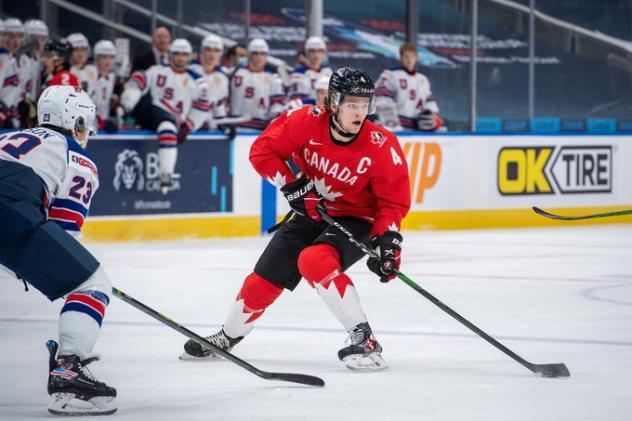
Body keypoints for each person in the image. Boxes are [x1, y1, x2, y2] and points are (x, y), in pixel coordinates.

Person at [181, 67, 411, 372]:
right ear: (334, 102)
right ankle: (227, 336)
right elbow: (262, 151)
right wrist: (291, 186)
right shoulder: (305, 121)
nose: (360, 112)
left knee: (315, 260)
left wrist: (388, 242)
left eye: (364, 104)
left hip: (357, 220)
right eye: (352, 104)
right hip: (311, 210)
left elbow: (392, 202)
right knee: (264, 276)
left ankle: (365, 340)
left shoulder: (381, 145)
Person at [0, 85, 116, 416]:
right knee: (91, 283)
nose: (86, 132)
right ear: (75, 120)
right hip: (7, 206)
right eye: (85, 124)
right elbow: (65, 234)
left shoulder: (10, 137)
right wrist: (78, 276)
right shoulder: (75, 156)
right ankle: (68, 372)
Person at [120, 38, 209, 193]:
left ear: (189, 56)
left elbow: (204, 105)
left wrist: (188, 126)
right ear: (170, 54)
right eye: (177, 54)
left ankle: (166, 174)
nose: (180, 57)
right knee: (165, 122)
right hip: (152, 112)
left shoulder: (198, 80)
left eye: (184, 54)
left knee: (168, 127)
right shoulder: (158, 70)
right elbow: (140, 77)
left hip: (173, 121)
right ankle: (125, 109)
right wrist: (131, 95)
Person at [375, 42, 443, 131]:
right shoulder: (390, 74)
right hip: (396, 128)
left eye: (411, 56)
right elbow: (382, 99)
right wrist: (390, 122)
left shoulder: (423, 79)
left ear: (416, 58)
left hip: (418, 129)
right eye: (406, 56)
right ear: (400, 58)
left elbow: (429, 102)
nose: (409, 60)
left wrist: (434, 117)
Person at [228, 38, 285, 129]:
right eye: (255, 53)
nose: (259, 57)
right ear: (249, 54)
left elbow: (278, 103)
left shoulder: (273, 78)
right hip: (236, 125)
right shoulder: (235, 73)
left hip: (260, 127)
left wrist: (273, 118)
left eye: (263, 53)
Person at [189, 34, 229, 129]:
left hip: (210, 128)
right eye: (209, 49)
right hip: (188, 126)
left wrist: (223, 125)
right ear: (202, 50)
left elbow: (219, 106)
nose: (212, 54)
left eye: (216, 50)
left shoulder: (223, 77)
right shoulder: (189, 70)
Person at [288, 36, 333, 105]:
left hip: (325, 110)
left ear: (324, 52)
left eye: (319, 51)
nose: (316, 54)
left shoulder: (328, 71)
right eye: (312, 51)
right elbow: (297, 99)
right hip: (306, 111)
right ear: (307, 53)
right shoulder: (298, 73)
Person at [92, 40, 120, 132]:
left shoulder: (113, 78)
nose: (108, 61)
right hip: (91, 126)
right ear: (97, 58)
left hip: (106, 126)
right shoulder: (89, 77)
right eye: (104, 57)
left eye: (111, 57)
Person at [0, 19, 21, 129]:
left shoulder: (8, 57)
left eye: (2, 34)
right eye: (11, 36)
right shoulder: (3, 57)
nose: (1, 38)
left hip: (9, 114)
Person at [68, 33, 97, 98]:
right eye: (76, 50)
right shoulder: (65, 70)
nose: (80, 53)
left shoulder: (93, 70)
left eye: (83, 49)